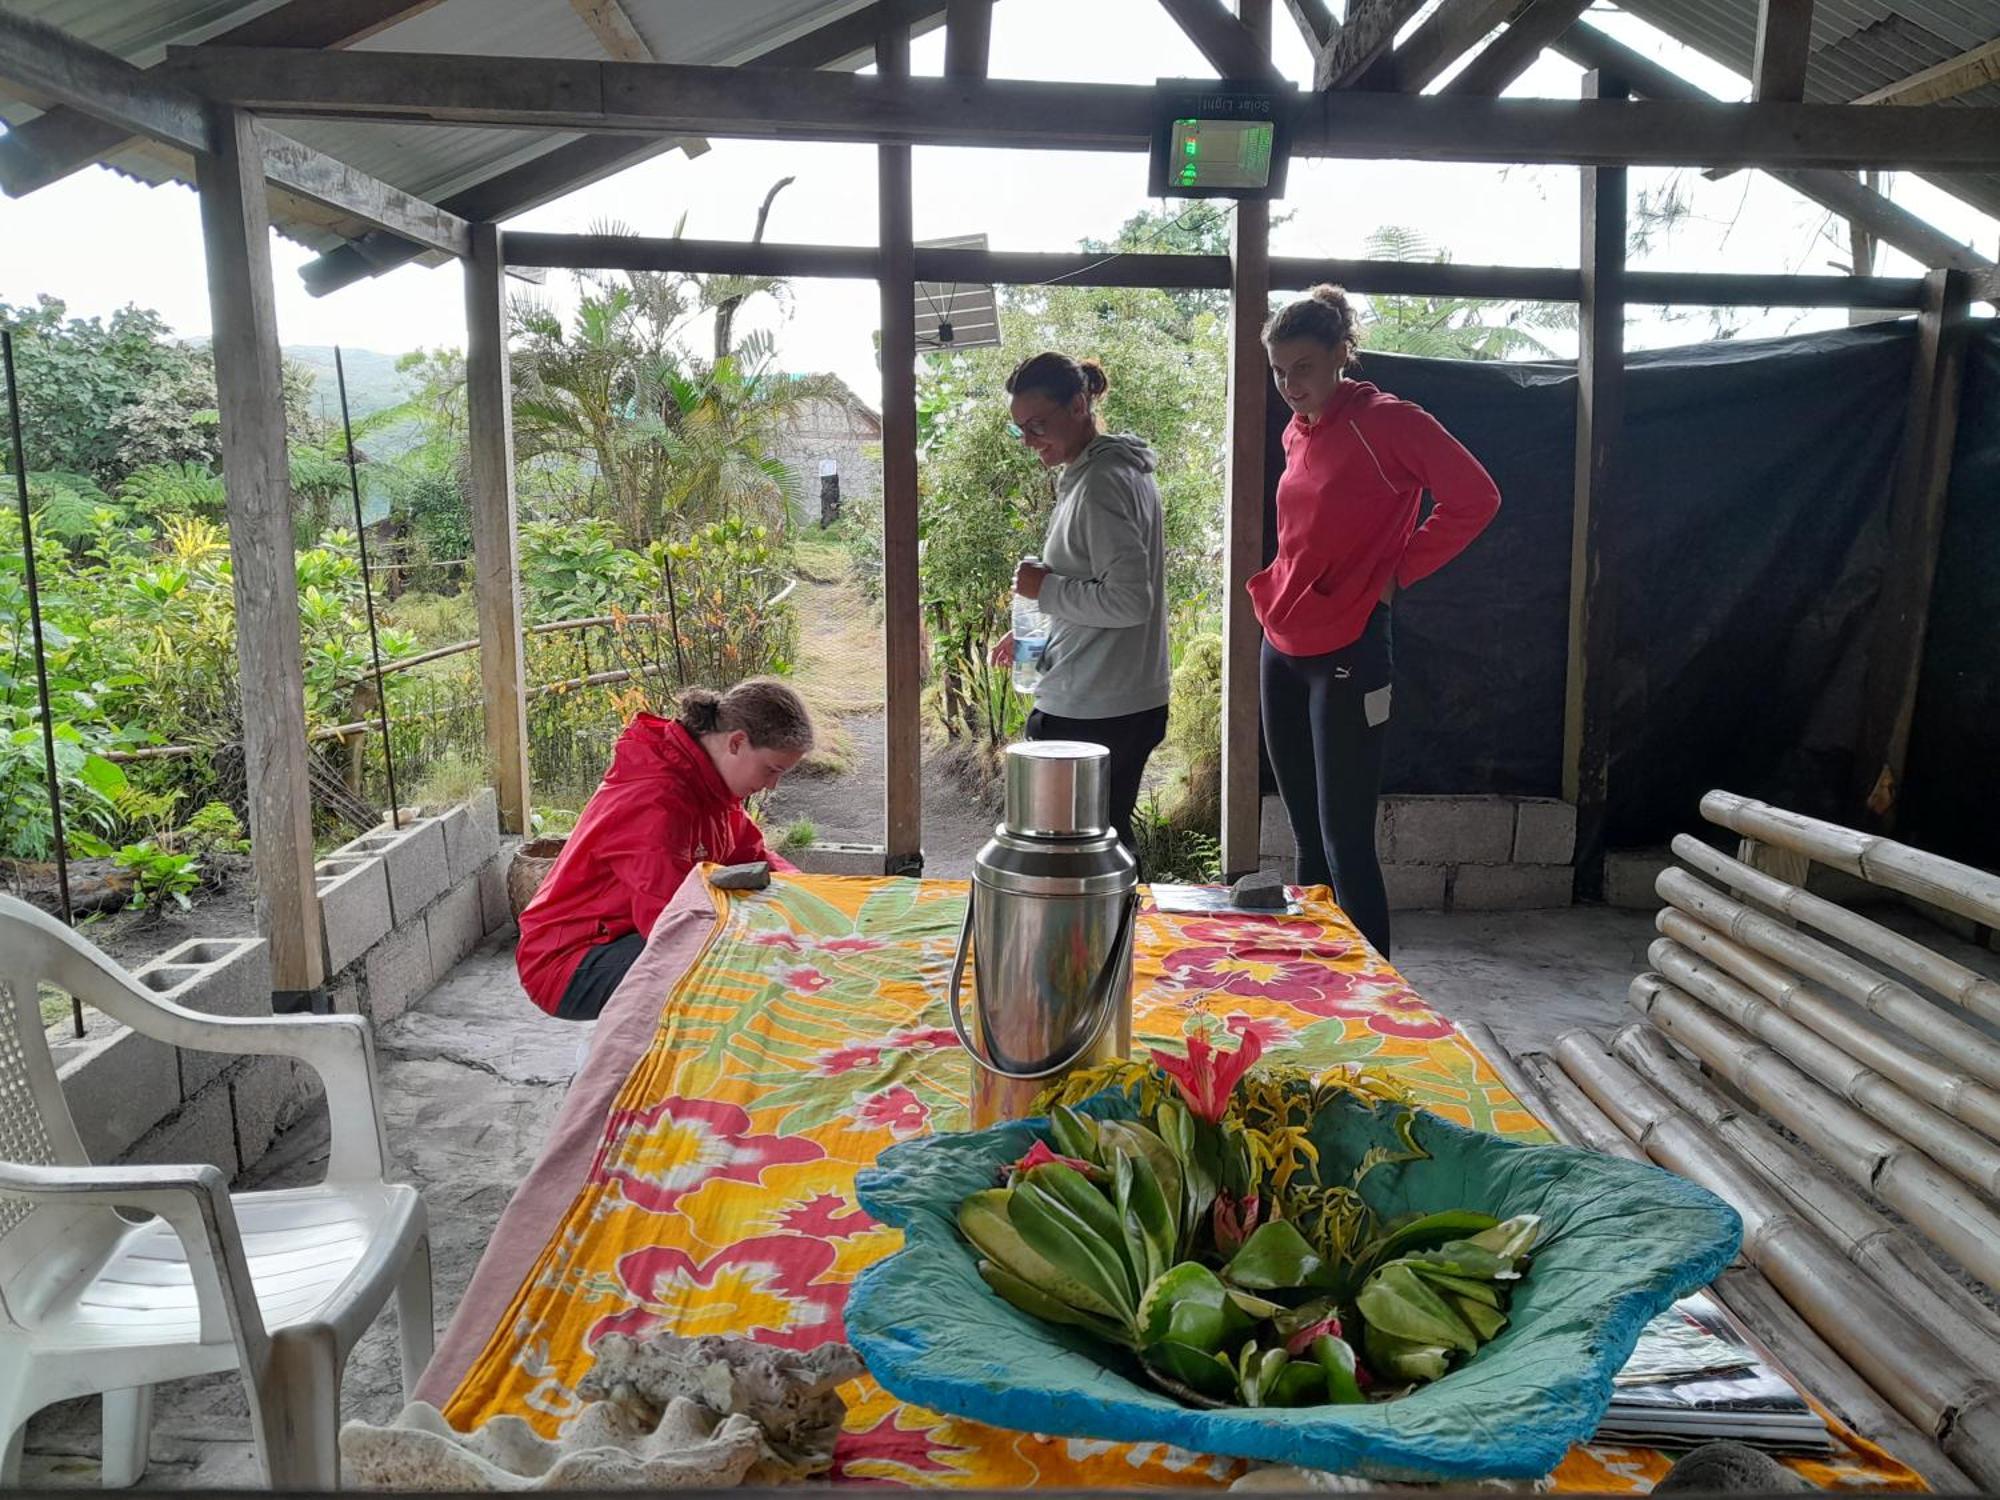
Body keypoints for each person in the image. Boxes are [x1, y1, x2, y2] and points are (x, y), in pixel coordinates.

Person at [1254, 286, 1500, 957]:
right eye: (1279, 371)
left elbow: (1476, 497)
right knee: (1304, 834)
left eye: (1303, 367)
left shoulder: (1390, 422)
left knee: (1346, 841)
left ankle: (1376, 1000)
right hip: (1281, 640)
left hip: (1352, 645)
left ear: (1340, 355)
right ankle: (1317, 982)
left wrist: (1398, 573)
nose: (1290, 384)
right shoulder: (1295, 432)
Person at [515, 679, 814, 1020]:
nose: (772, 785)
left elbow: (754, 859)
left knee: (758, 950)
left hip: (622, 935)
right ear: (736, 742)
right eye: (772, 770)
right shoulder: (655, 801)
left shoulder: (707, 781)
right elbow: (670, 927)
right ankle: (628, 1069)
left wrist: (814, 901)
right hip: (568, 962)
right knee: (729, 972)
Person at [993, 350, 1171, 857]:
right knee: (1103, 844)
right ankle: (1114, 936)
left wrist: (1042, 591)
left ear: (1078, 406)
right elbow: (1097, 582)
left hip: (1098, 706)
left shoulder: (1100, 483)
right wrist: (1041, 623)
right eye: (1020, 429)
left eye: (1038, 425)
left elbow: (1130, 601)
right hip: (1119, 696)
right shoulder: (1115, 472)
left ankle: (1104, 939)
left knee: (1081, 855)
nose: (1028, 441)